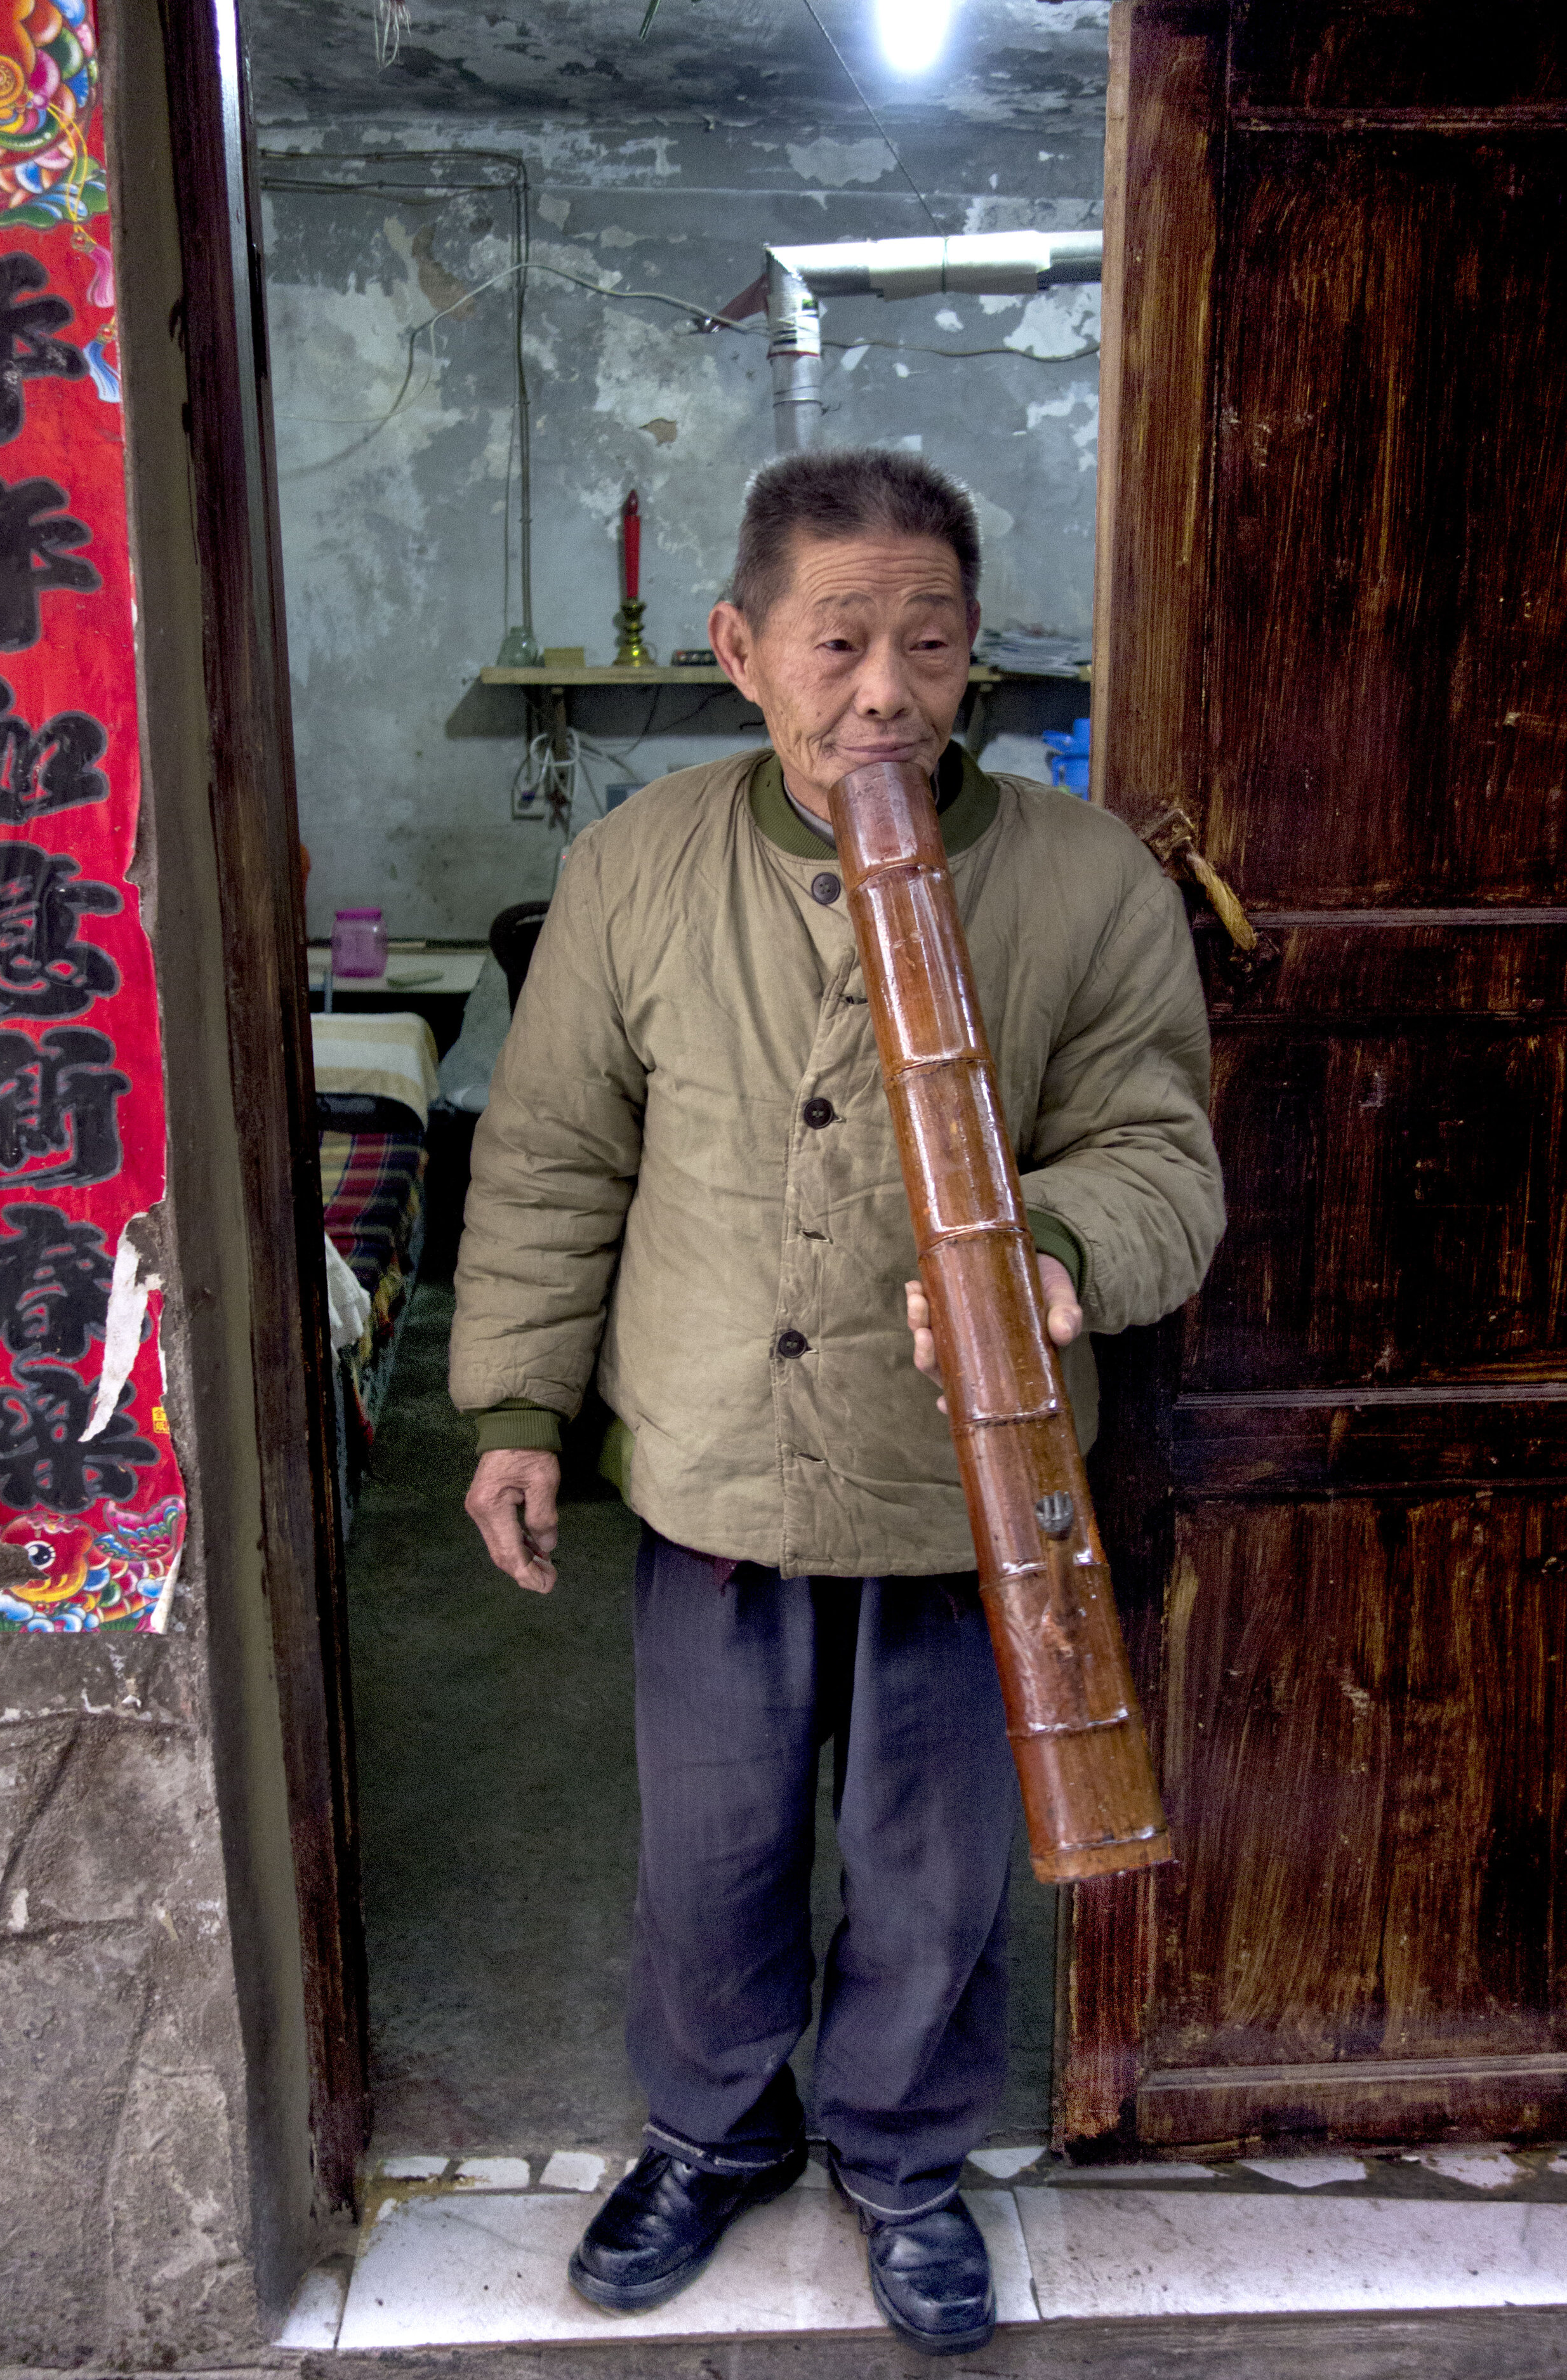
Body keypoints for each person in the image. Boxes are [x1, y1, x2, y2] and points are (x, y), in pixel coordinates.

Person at [451, 447, 1224, 2356]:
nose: (884, 692)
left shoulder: (1081, 876)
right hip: (714, 1456)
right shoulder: (638, 864)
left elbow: (1158, 1150)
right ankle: (711, 2136)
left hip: (972, 1483)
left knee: (935, 1848)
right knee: (706, 1842)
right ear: (739, 649)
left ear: (977, 662)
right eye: (837, 643)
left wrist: (1051, 1249)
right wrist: (516, 1410)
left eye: (931, 646)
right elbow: (550, 1159)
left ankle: (899, 2157)